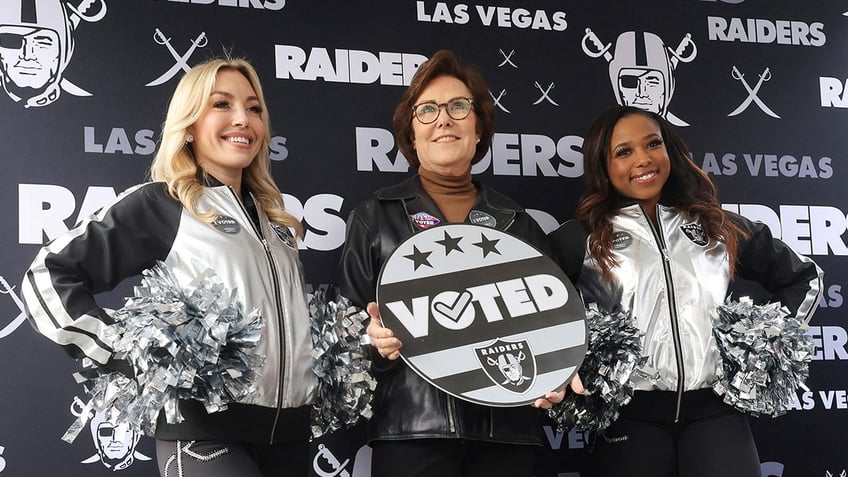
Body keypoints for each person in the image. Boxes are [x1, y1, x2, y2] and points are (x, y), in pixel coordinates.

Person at [21, 57, 317, 477]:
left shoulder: (278, 223)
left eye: (254, 109)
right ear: (190, 125)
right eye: (221, 105)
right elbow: (45, 277)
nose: (243, 119)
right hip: (205, 437)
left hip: (290, 439)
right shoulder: (165, 203)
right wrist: (121, 351)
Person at [336, 49, 576, 477]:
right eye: (427, 110)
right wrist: (372, 344)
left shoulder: (519, 224)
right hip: (412, 432)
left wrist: (554, 377)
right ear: (411, 134)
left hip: (508, 434)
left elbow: (556, 327)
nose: (443, 119)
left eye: (458, 107)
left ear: (479, 128)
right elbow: (343, 337)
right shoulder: (374, 216)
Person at [549, 105, 823, 477]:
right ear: (603, 165)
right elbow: (529, 308)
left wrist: (766, 343)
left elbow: (805, 278)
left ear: (670, 150)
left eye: (653, 144)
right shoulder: (582, 237)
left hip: (717, 413)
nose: (643, 160)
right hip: (630, 418)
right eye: (624, 151)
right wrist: (559, 365)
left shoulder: (715, 226)